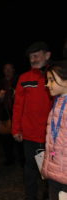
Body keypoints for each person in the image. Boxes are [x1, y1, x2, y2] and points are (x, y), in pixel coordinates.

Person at [12, 41, 53, 200]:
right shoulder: (24, 78)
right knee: (30, 170)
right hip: (29, 135)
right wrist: (16, 129)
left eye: (36, 56)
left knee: (52, 171)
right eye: (31, 57)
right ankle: (31, 197)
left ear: (47, 55)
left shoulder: (56, 76)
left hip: (51, 135)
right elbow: (18, 106)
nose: (33, 60)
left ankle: (50, 195)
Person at [42, 61, 67, 200]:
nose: (47, 84)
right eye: (47, 80)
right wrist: (47, 165)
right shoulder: (58, 102)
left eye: (51, 80)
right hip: (55, 171)